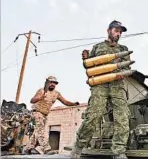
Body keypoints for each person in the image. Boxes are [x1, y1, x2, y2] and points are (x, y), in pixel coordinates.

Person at [71, 20, 131, 159]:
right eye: (116, 30)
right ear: (108, 31)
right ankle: (79, 146)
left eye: (120, 32)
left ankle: (119, 151)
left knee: (122, 118)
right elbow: (90, 67)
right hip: (100, 86)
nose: (118, 34)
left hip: (118, 86)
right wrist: (85, 59)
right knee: (93, 116)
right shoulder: (97, 47)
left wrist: (121, 72)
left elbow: (127, 68)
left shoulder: (123, 50)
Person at [23, 76, 80, 155]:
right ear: (47, 83)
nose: (53, 84)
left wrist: (73, 104)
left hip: (45, 114)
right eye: (51, 82)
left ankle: (27, 148)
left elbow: (65, 102)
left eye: (54, 83)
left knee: (37, 132)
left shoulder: (56, 94)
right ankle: (46, 148)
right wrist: (40, 97)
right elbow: (32, 100)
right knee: (41, 131)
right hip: (37, 112)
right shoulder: (41, 91)